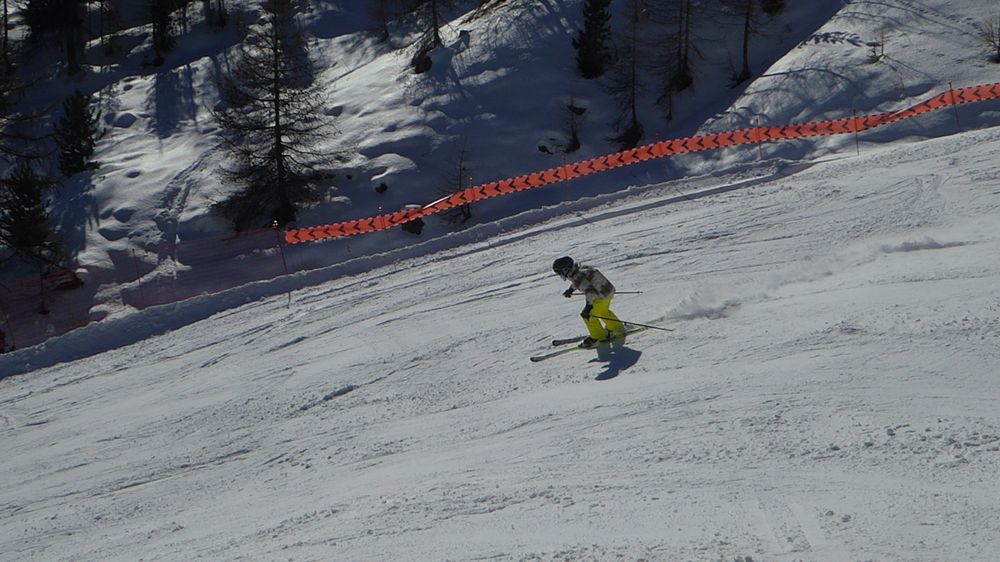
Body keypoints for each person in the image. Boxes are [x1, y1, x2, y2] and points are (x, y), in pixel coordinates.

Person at [552, 256, 625, 348]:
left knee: (588, 316)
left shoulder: (578, 277)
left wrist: (588, 306)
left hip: (600, 297)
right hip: (608, 291)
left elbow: (590, 292)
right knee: (603, 312)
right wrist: (571, 289)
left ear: (566, 269)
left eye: (560, 272)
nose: (561, 275)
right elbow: (578, 281)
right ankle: (617, 328)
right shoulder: (580, 270)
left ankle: (598, 336)